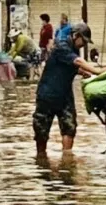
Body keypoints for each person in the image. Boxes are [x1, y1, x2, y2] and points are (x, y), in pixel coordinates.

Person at [33, 21, 101, 156]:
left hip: (65, 96)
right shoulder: (61, 46)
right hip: (48, 95)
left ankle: (67, 159)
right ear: (76, 35)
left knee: (69, 127)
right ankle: (41, 159)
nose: (84, 44)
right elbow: (76, 61)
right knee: (41, 131)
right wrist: (97, 71)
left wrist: (82, 72)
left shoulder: (74, 50)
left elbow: (70, 66)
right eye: (84, 40)